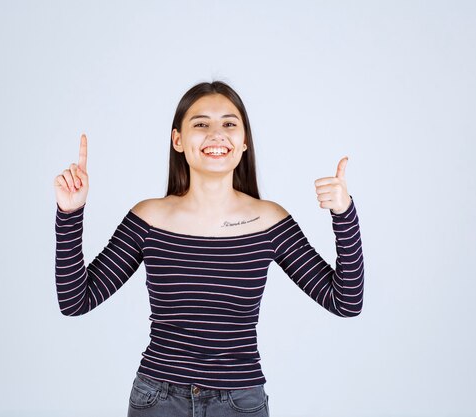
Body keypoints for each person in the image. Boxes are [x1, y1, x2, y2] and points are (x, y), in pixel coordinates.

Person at [53, 81, 364, 417]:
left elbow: (345, 302)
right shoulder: (149, 218)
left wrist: (344, 214)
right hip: (158, 400)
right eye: (201, 124)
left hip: (239, 402)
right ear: (178, 140)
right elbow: (76, 301)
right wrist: (70, 213)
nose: (217, 134)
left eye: (229, 124)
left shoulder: (269, 220)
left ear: (244, 142)